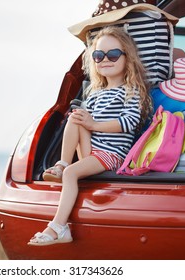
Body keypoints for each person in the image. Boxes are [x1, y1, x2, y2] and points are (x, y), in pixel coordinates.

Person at [28, 26, 152, 246]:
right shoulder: (95, 94)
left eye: (112, 54)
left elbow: (128, 122)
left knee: (71, 175)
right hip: (92, 150)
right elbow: (85, 126)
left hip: (112, 154)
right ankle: (62, 163)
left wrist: (93, 123)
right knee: (76, 116)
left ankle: (58, 226)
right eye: (98, 55)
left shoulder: (131, 90)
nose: (105, 59)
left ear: (127, 58)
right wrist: (86, 121)